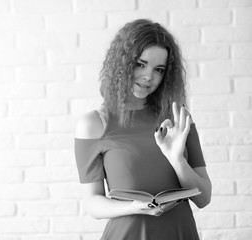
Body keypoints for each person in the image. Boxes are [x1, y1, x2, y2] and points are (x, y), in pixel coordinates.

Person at [74, 19, 212, 239]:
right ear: (122, 63)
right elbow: (93, 203)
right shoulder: (94, 124)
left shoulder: (177, 119)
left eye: (159, 69)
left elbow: (203, 199)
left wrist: (177, 159)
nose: (149, 76)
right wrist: (133, 206)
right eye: (140, 64)